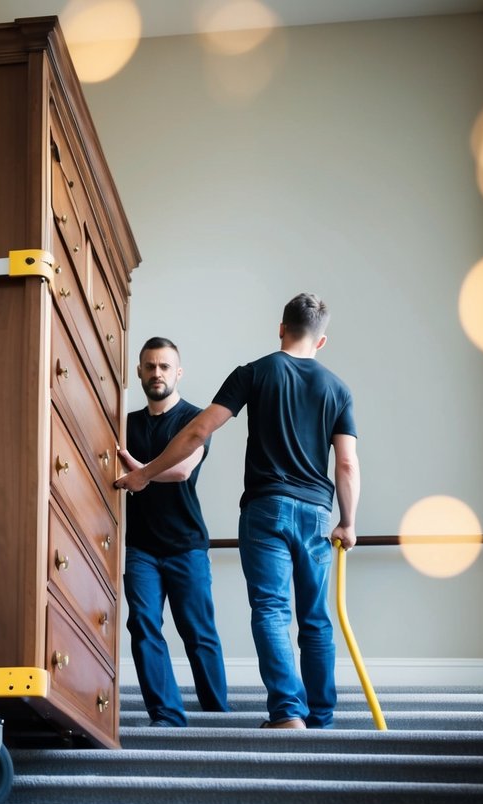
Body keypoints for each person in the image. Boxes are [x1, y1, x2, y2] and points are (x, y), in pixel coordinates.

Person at [115, 294, 359, 730]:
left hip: (265, 509)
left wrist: (144, 474)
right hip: (319, 513)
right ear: (322, 341)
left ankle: (287, 713)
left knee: (271, 610)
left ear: (281, 328)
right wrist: (349, 522)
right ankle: (321, 716)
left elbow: (199, 429)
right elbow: (345, 463)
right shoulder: (338, 389)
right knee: (316, 619)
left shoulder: (254, 372)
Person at [118, 337, 229, 727]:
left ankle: (217, 716)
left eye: (164, 366)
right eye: (149, 366)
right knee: (144, 626)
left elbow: (182, 470)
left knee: (198, 632)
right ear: (139, 372)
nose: (156, 373)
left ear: (177, 372)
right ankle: (166, 715)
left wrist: (141, 474)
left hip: (186, 544)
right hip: (140, 548)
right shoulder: (125, 423)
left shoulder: (194, 419)